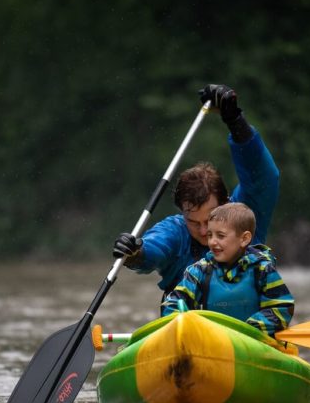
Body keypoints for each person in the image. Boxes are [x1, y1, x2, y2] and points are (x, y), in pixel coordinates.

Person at [113, 84, 280, 298]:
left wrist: (235, 120)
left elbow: (262, 176)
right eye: (193, 222)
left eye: (209, 220)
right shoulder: (174, 232)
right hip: (187, 323)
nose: (203, 232)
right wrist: (135, 252)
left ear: (226, 203)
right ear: (182, 213)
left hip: (247, 325)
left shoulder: (245, 216)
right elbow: (152, 250)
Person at [162, 203, 294, 337]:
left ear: (244, 239)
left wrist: (250, 330)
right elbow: (174, 301)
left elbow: (281, 307)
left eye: (220, 235)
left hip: (254, 339)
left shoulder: (262, 270)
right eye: (209, 235)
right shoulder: (199, 271)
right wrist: (177, 320)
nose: (212, 242)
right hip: (212, 341)